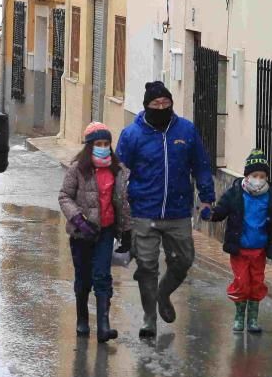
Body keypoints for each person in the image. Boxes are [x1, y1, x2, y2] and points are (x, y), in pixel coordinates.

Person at [116, 82, 214, 338]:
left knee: (183, 260)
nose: (161, 107)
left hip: (178, 211)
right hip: (143, 211)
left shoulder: (186, 131)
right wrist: (118, 210)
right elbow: (119, 175)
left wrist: (207, 198)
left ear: (171, 104)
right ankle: (149, 319)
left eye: (165, 103)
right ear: (146, 106)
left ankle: (164, 293)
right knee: (147, 266)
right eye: (155, 104)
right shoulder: (131, 135)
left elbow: (201, 166)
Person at [58, 122, 132, 344]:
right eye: (98, 144)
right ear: (90, 146)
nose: (103, 147)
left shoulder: (118, 171)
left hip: (105, 232)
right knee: (83, 277)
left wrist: (127, 232)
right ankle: (82, 319)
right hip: (82, 234)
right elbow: (64, 197)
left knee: (102, 275)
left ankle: (103, 326)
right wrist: (78, 219)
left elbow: (123, 203)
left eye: (106, 143)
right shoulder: (77, 170)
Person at [209, 149, 272, 333]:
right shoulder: (236, 193)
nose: (258, 179)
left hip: (259, 250)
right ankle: (239, 317)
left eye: (262, 175)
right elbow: (221, 210)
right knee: (242, 282)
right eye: (254, 175)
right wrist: (210, 213)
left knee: (256, 283)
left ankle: (252, 319)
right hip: (240, 249)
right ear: (247, 175)